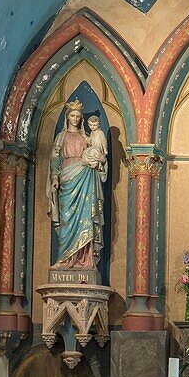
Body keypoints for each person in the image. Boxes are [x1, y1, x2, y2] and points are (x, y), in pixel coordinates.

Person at [48, 102, 107, 269]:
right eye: (72, 116)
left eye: (78, 116)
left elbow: (98, 154)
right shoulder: (61, 137)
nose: (75, 118)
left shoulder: (86, 138)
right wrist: (54, 177)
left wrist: (100, 159)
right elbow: (55, 158)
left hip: (85, 177)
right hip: (67, 177)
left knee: (85, 218)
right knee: (66, 218)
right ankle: (63, 259)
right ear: (67, 117)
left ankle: (86, 261)